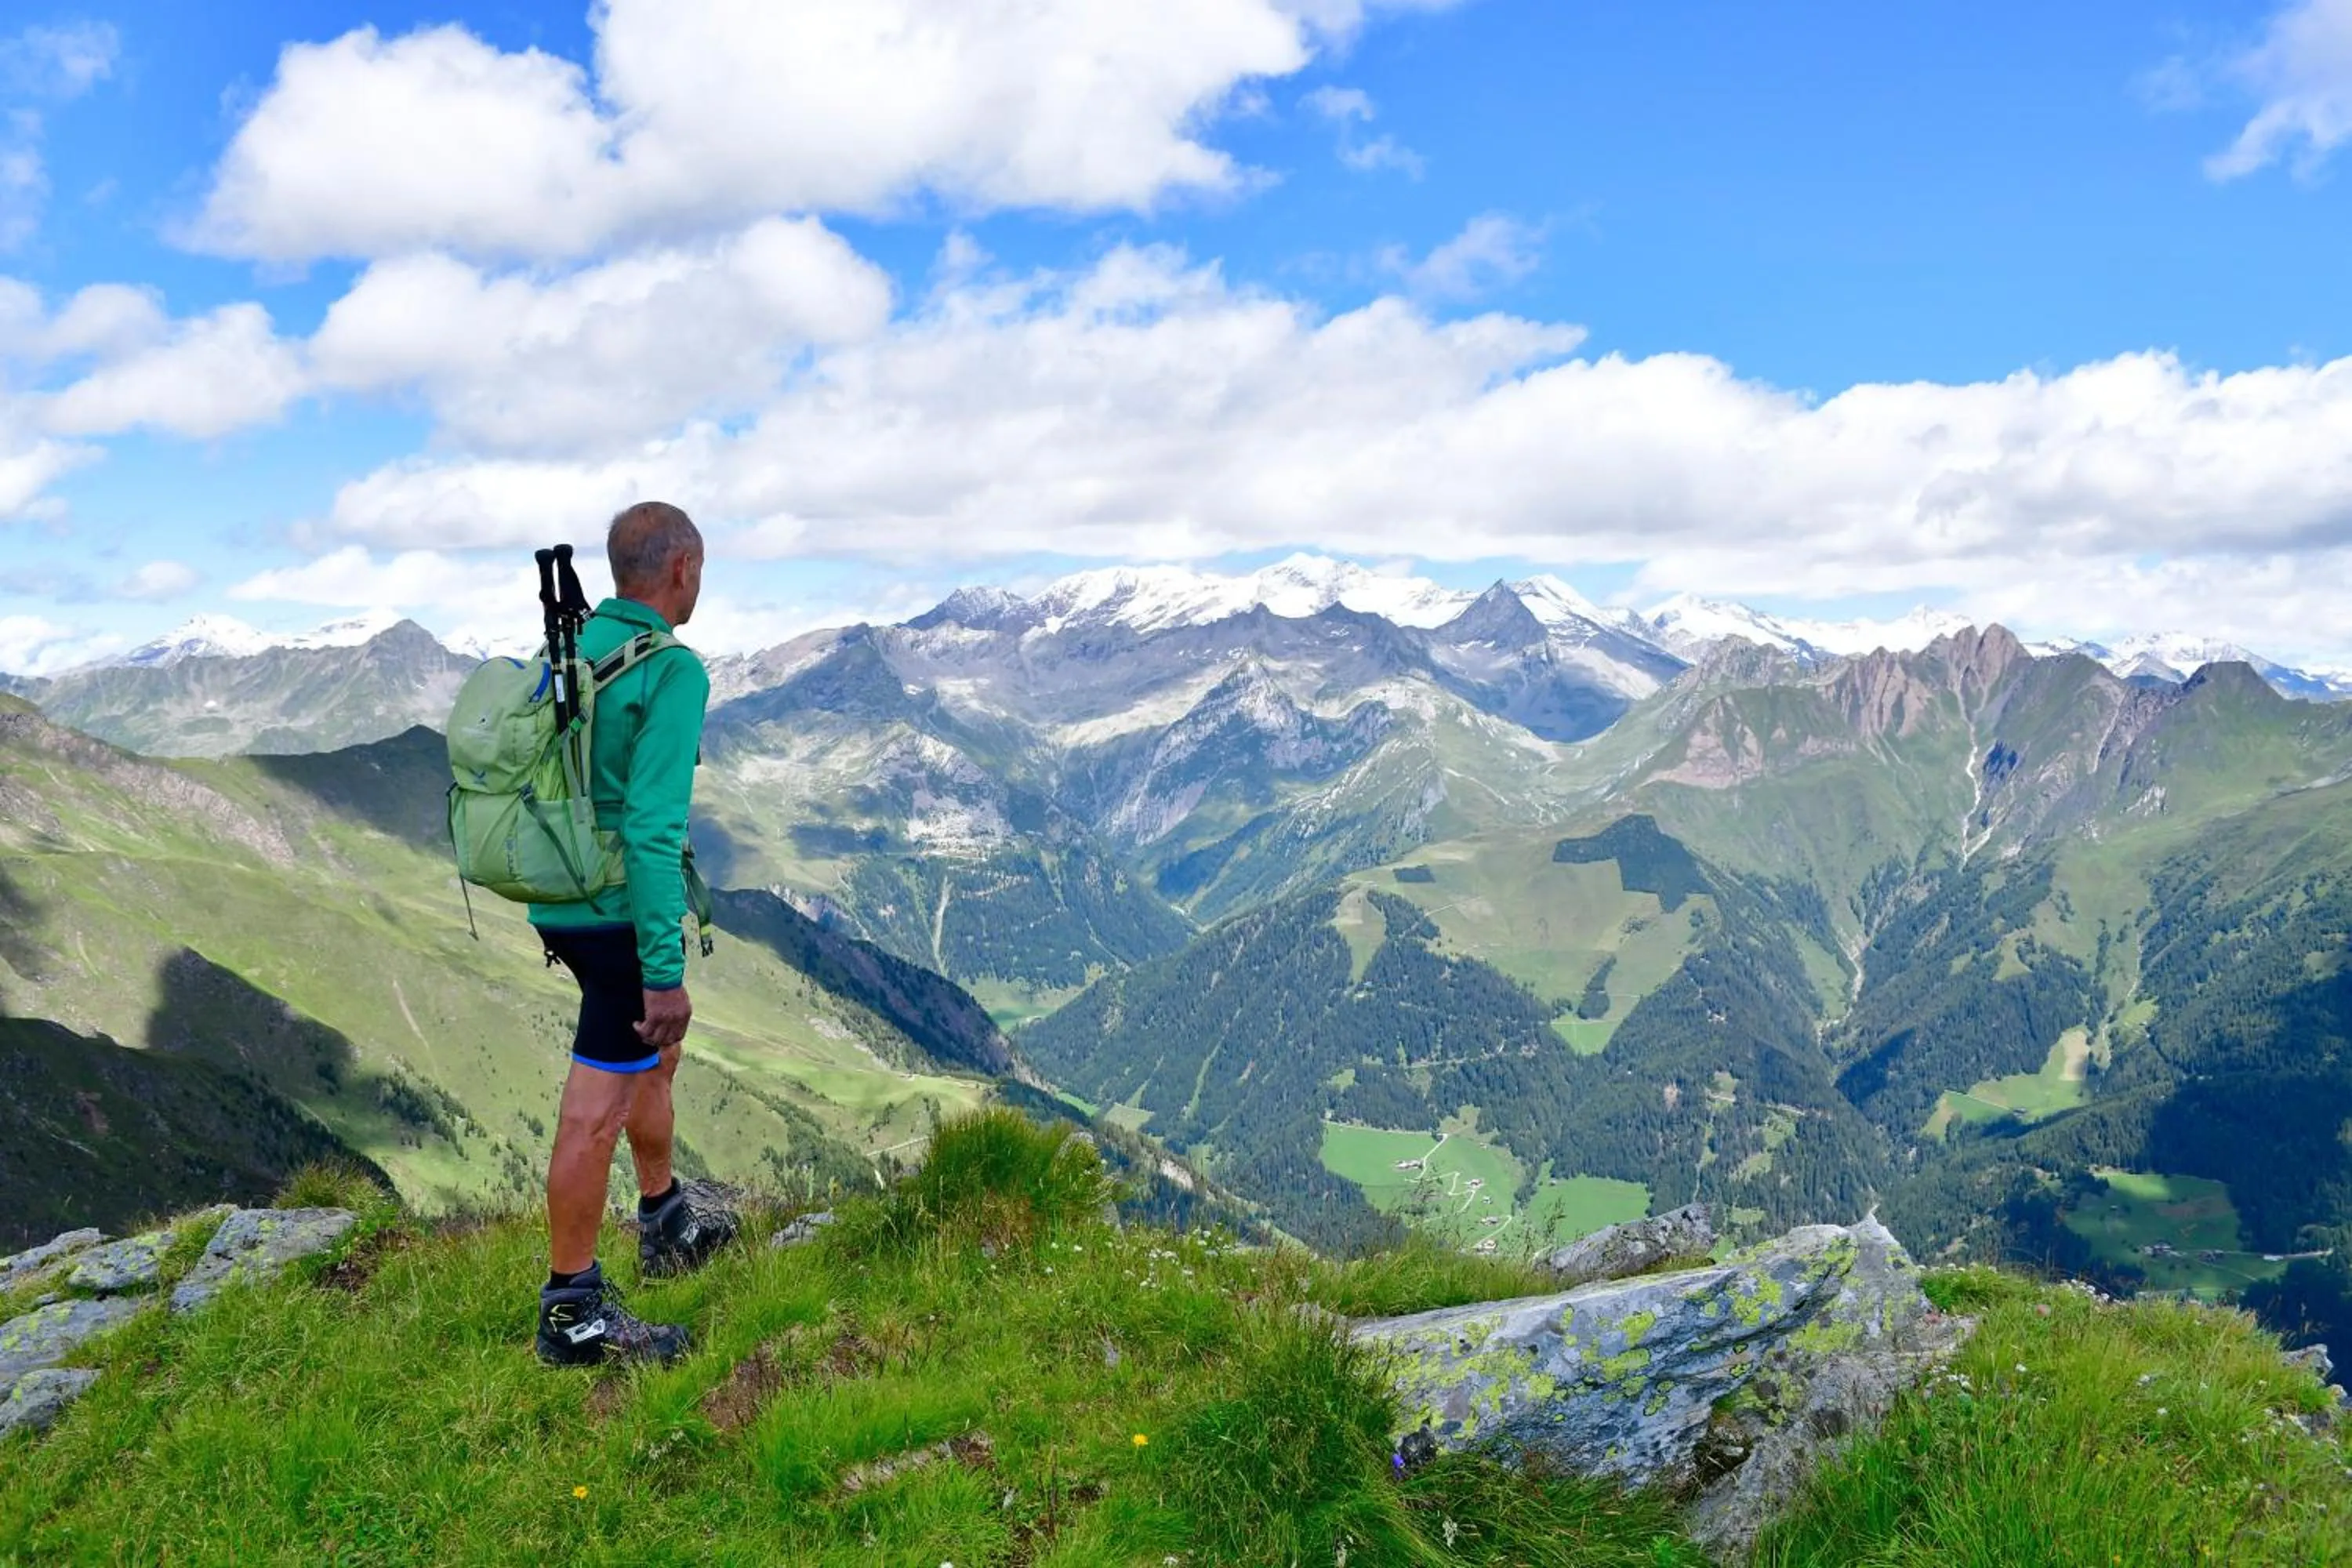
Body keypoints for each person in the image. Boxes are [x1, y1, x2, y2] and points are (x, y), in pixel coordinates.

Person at [530, 501, 739, 1367]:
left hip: (564, 897)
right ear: (682, 568)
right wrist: (663, 972)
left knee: (651, 1060)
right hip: (619, 914)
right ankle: (572, 1310)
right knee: (596, 1108)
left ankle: (663, 1218)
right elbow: (654, 830)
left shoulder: (575, 650)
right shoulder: (670, 669)